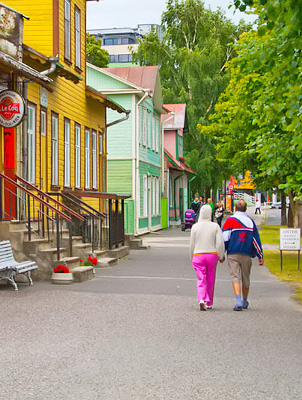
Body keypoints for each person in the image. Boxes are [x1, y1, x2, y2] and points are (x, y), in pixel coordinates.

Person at [222, 200, 264, 311]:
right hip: (246, 253)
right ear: (246, 209)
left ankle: (238, 301)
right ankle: (245, 300)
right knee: (246, 278)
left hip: (233, 253)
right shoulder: (250, 222)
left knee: (235, 277)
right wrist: (260, 255)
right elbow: (256, 240)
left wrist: (222, 253)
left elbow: (225, 238)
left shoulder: (230, 221)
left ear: (235, 208)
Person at [190, 205, 225, 311]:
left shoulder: (195, 227)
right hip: (211, 254)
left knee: (201, 278)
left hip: (198, 254)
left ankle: (201, 298)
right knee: (210, 278)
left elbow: (192, 243)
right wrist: (221, 255)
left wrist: (192, 256)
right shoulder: (215, 226)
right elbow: (219, 243)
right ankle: (208, 302)